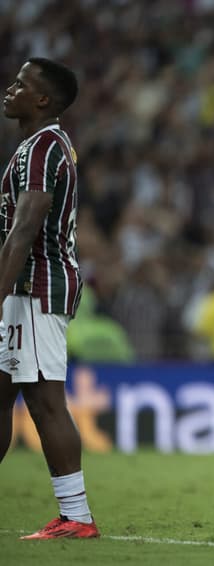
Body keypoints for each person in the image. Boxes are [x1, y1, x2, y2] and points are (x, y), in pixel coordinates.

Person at [0, 57, 99, 539]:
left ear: (42, 100)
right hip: (23, 288)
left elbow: (24, 230)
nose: (10, 89)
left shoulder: (42, 147)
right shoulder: (35, 146)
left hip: (37, 286)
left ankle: (77, 515)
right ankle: (75, 514)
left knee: (45, 400)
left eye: (21, 84)